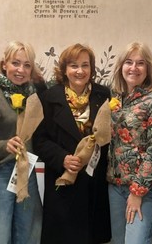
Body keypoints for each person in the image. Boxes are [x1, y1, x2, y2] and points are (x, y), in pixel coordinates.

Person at [33, 43, 111, 244]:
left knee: (93, 237)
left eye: (85, 65)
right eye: (74, 65)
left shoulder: (104, 96)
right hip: (64, 182)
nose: (80, 71)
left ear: (92, 69)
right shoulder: (49, 98)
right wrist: (62, 158)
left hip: (95, 182)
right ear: (64, 69)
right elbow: (39, 140)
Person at [0, 41, 45, 244]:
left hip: (27, 171)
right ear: (4, 64)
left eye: (27, 65)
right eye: (15, 63)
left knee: (29, 233)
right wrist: (4, 145)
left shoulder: (34, 94)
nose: (21, 70)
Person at [107, 42, 152, 244]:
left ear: (148, 69)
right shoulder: (115, 98)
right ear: (121, 66)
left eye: (140, 63)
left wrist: (137, 191)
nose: (133, 68)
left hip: (144, 189)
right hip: (115, 186)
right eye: (129, 62)